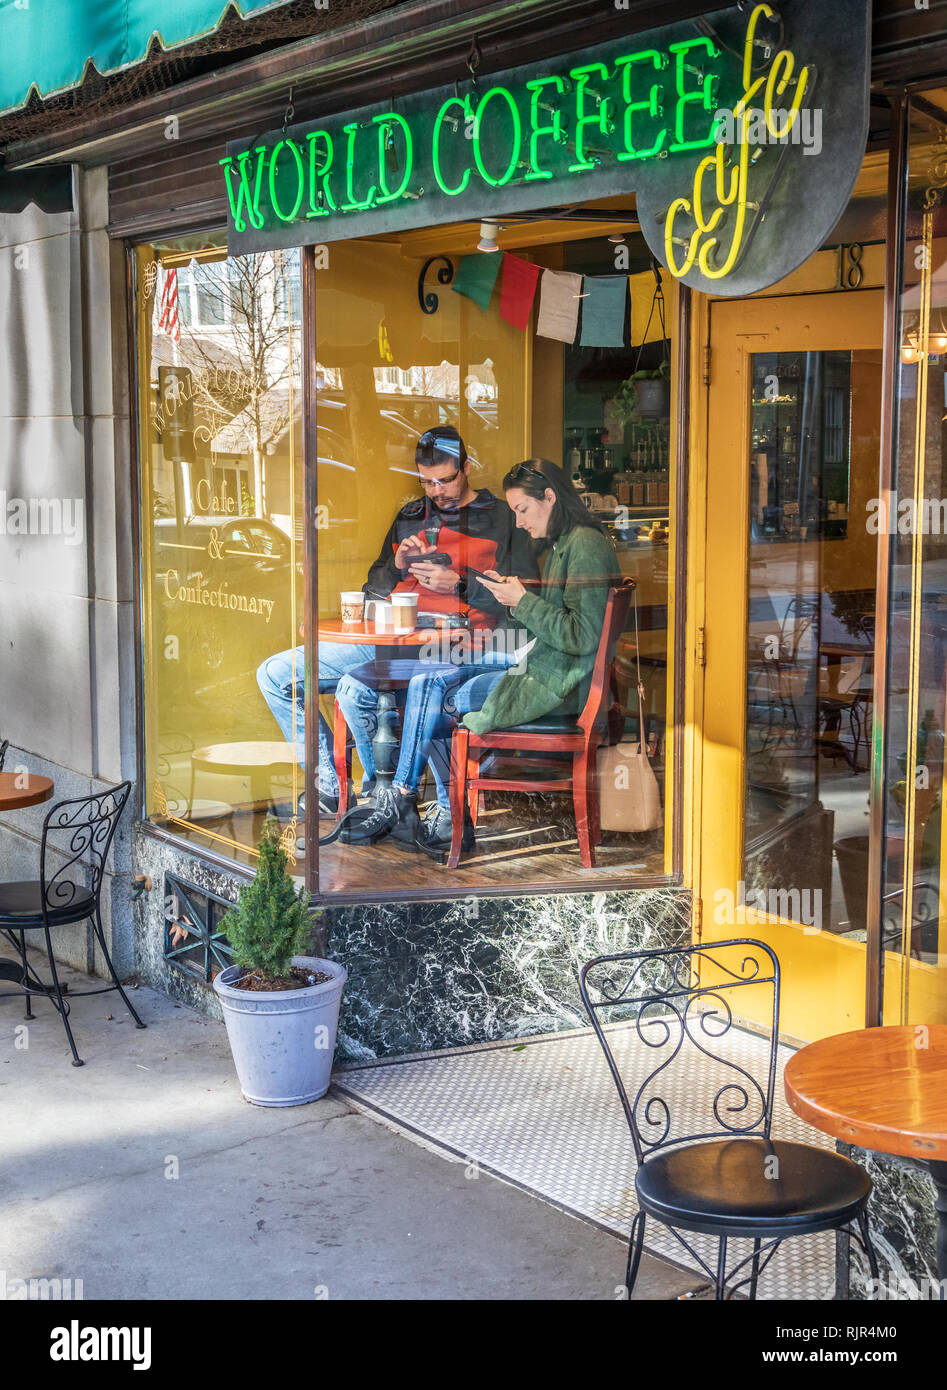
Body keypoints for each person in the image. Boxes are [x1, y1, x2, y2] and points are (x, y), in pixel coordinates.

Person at [256, 426, 536, 834]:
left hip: (460, 643)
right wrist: (398, 567)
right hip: (391, 641)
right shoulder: (410, 516)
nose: (437, 490)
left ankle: (392, 796)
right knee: (276, 675)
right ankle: (331, 786)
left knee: (363, 690)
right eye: (427, 482)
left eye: (446, 479)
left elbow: (524, 593)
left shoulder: (499, 519)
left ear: (467, 468)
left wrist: (457, 584)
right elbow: (375, 587)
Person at [357, 457, 621, 851]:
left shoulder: (584, 546)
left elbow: (581, 636)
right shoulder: (569, 542)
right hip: (545, 664)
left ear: (550, 497)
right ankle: (416, 802)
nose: (518, 522)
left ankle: (406, 798)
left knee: (432, 687)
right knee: (432, 669)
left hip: (560, 683)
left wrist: (522, 601)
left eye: (523, 510)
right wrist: (509, 595)